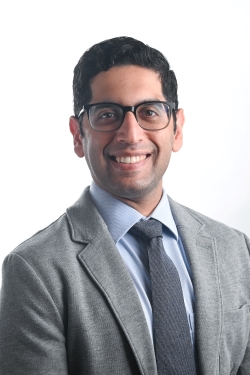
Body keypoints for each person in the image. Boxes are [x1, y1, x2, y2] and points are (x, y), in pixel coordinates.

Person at [0, 36, 249, 375]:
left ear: (176, 129)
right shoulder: (35, 270)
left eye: (149, 112)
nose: (131, 134)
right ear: (78, 135)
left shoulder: (236, 250)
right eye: (107, 114)